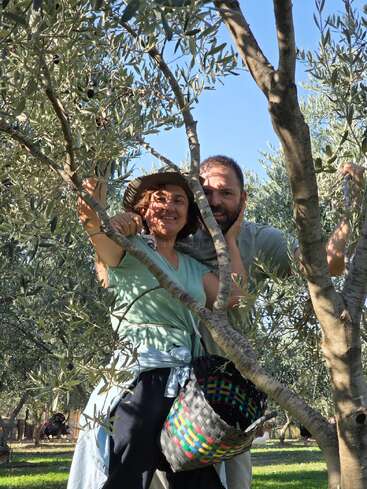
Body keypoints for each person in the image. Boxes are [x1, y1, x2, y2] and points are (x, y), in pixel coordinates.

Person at [96, 156, 365, 489]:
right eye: (206, 191)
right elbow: (114, 257)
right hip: (166, 383)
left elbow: (327, 266)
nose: (215, 200)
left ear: (243, 198)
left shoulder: (260, 240)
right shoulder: (177, 234)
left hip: (224, 396)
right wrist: (127, 220)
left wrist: (350, 203)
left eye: (226, 193)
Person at [67, 169, 247, 489]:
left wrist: (229, 238)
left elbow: (233, 296)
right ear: (142, 210)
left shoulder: (192, 266)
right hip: (140, 380)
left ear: (188, 214)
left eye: (179, 201)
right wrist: (110, 218)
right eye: (158, 199)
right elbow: (90, 220)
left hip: (188, 389)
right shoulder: (127, 249)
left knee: (197, 479)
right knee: (127, 472)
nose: (169, 206)